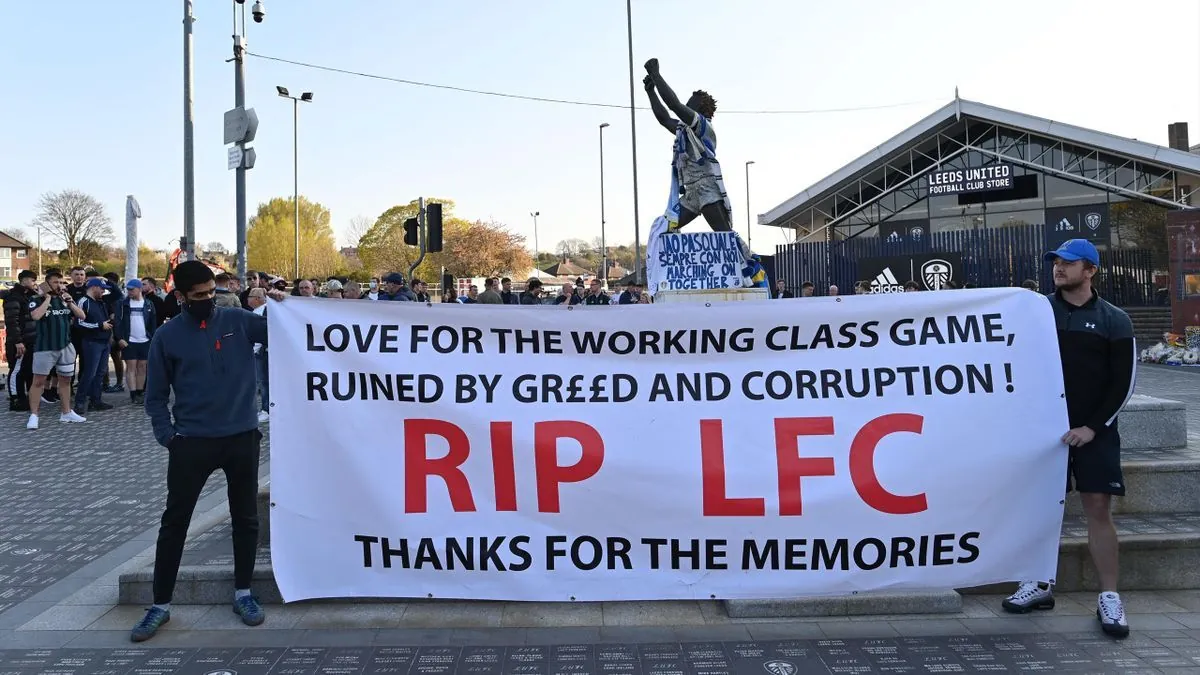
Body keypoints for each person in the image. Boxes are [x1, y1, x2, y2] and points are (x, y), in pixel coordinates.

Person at [132, 261, 286, 642]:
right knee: (175, 523)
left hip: (241, 439)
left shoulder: (238, 319)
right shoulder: (167, 337)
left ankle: (244, 593)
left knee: (246, 518)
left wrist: (288, 305)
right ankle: (160, 604)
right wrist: (168, 436)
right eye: (198, 296)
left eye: (211, 293)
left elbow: (289, 335)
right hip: (191, 443)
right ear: (180, 296)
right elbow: (154, 397)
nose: (207, 301)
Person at [1001, 239, 1135, 639]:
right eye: (1056, 263)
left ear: (1090, 270)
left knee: (1098, 508)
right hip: (1046, 432)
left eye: (1069, 263)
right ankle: (1038, 584)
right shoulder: (1037, 313)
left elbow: (1122, 383)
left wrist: (1092, 427)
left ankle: (1109, 596)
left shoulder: (1114, 319)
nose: (1059, 269)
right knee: (1042, 509)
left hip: (1095, 432)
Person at [642, 58, 731, 234]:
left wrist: (656, 74)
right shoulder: (685, 130)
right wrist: (651, 91)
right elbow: (664, 119)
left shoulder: (703, 127)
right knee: (662, 231)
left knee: (725, 237)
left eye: (691, 102)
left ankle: (745, 260)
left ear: (701, 107)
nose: (687, 104)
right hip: (690, 194)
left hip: (706, 189)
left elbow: (674, 105)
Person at [25, 271, 88, 429]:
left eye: (62, 282)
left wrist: (71, 302)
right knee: (38, 381)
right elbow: (36, 316)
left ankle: (66, 412)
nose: (60, 285)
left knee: (65, 380)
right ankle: (34, 415)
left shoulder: (65, 299)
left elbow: (82, 316)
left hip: (65, 346)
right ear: (47, 284)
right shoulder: (36, 299)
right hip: (44, 348)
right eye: (56, 282)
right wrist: (47, 298)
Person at [74, 278, 115, 415]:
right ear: (94, 287)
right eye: (101, 288)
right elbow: (79, 323)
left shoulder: (100, 302)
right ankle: (80, 401)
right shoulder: (84, 301)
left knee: (100, 373)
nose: (103, 291)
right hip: (92, 342)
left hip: (103, 341)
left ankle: (96, 400)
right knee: (89, 373)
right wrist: (99, 325)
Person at [114, 279, 157, 404]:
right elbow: (118, 322)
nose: (130, 292)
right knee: (131, 367)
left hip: (145, 339)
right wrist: (120, 338)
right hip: (129, 340)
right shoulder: (123, 304)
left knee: (142, 367)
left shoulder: (148, 304)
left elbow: (153, 322)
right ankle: (133, 394)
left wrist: (151, 337)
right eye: (128, 289)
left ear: (139, 289)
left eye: (132, 289)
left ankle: (139, 392)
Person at [4, 270, 39, 410]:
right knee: (17, 370)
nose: (34, 283)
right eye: (32, 280)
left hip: (31, 339)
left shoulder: (30, 296)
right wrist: (18, 341)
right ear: (24, 280)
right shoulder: (13, 297)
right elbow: (12, 321)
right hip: (19, 341)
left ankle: (27, 397)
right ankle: (16, 399)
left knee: (28, 370)